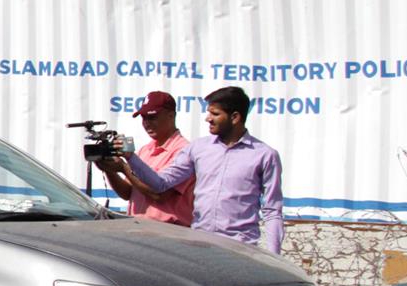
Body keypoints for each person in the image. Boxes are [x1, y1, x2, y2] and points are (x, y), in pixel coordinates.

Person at [116, 85, 284, 253]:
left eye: (215, 114)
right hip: (201, 245)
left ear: (235, 117)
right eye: (208, 113)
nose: (208, 119)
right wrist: (130, 158)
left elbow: (272, 211)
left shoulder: (264, 155)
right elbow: (161, 183)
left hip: (241, 248)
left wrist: (275, 258)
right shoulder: (198, 148)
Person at [96, 90, 193, 227]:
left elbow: (159, 195)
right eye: (143, 118)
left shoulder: (184, 151)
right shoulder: (144, 150)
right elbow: (127, 193)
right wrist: (109, 169)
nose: (146, 123)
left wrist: (124, 167)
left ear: (171, 115)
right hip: (139, 229)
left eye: (152, 117)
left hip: (169, 233)